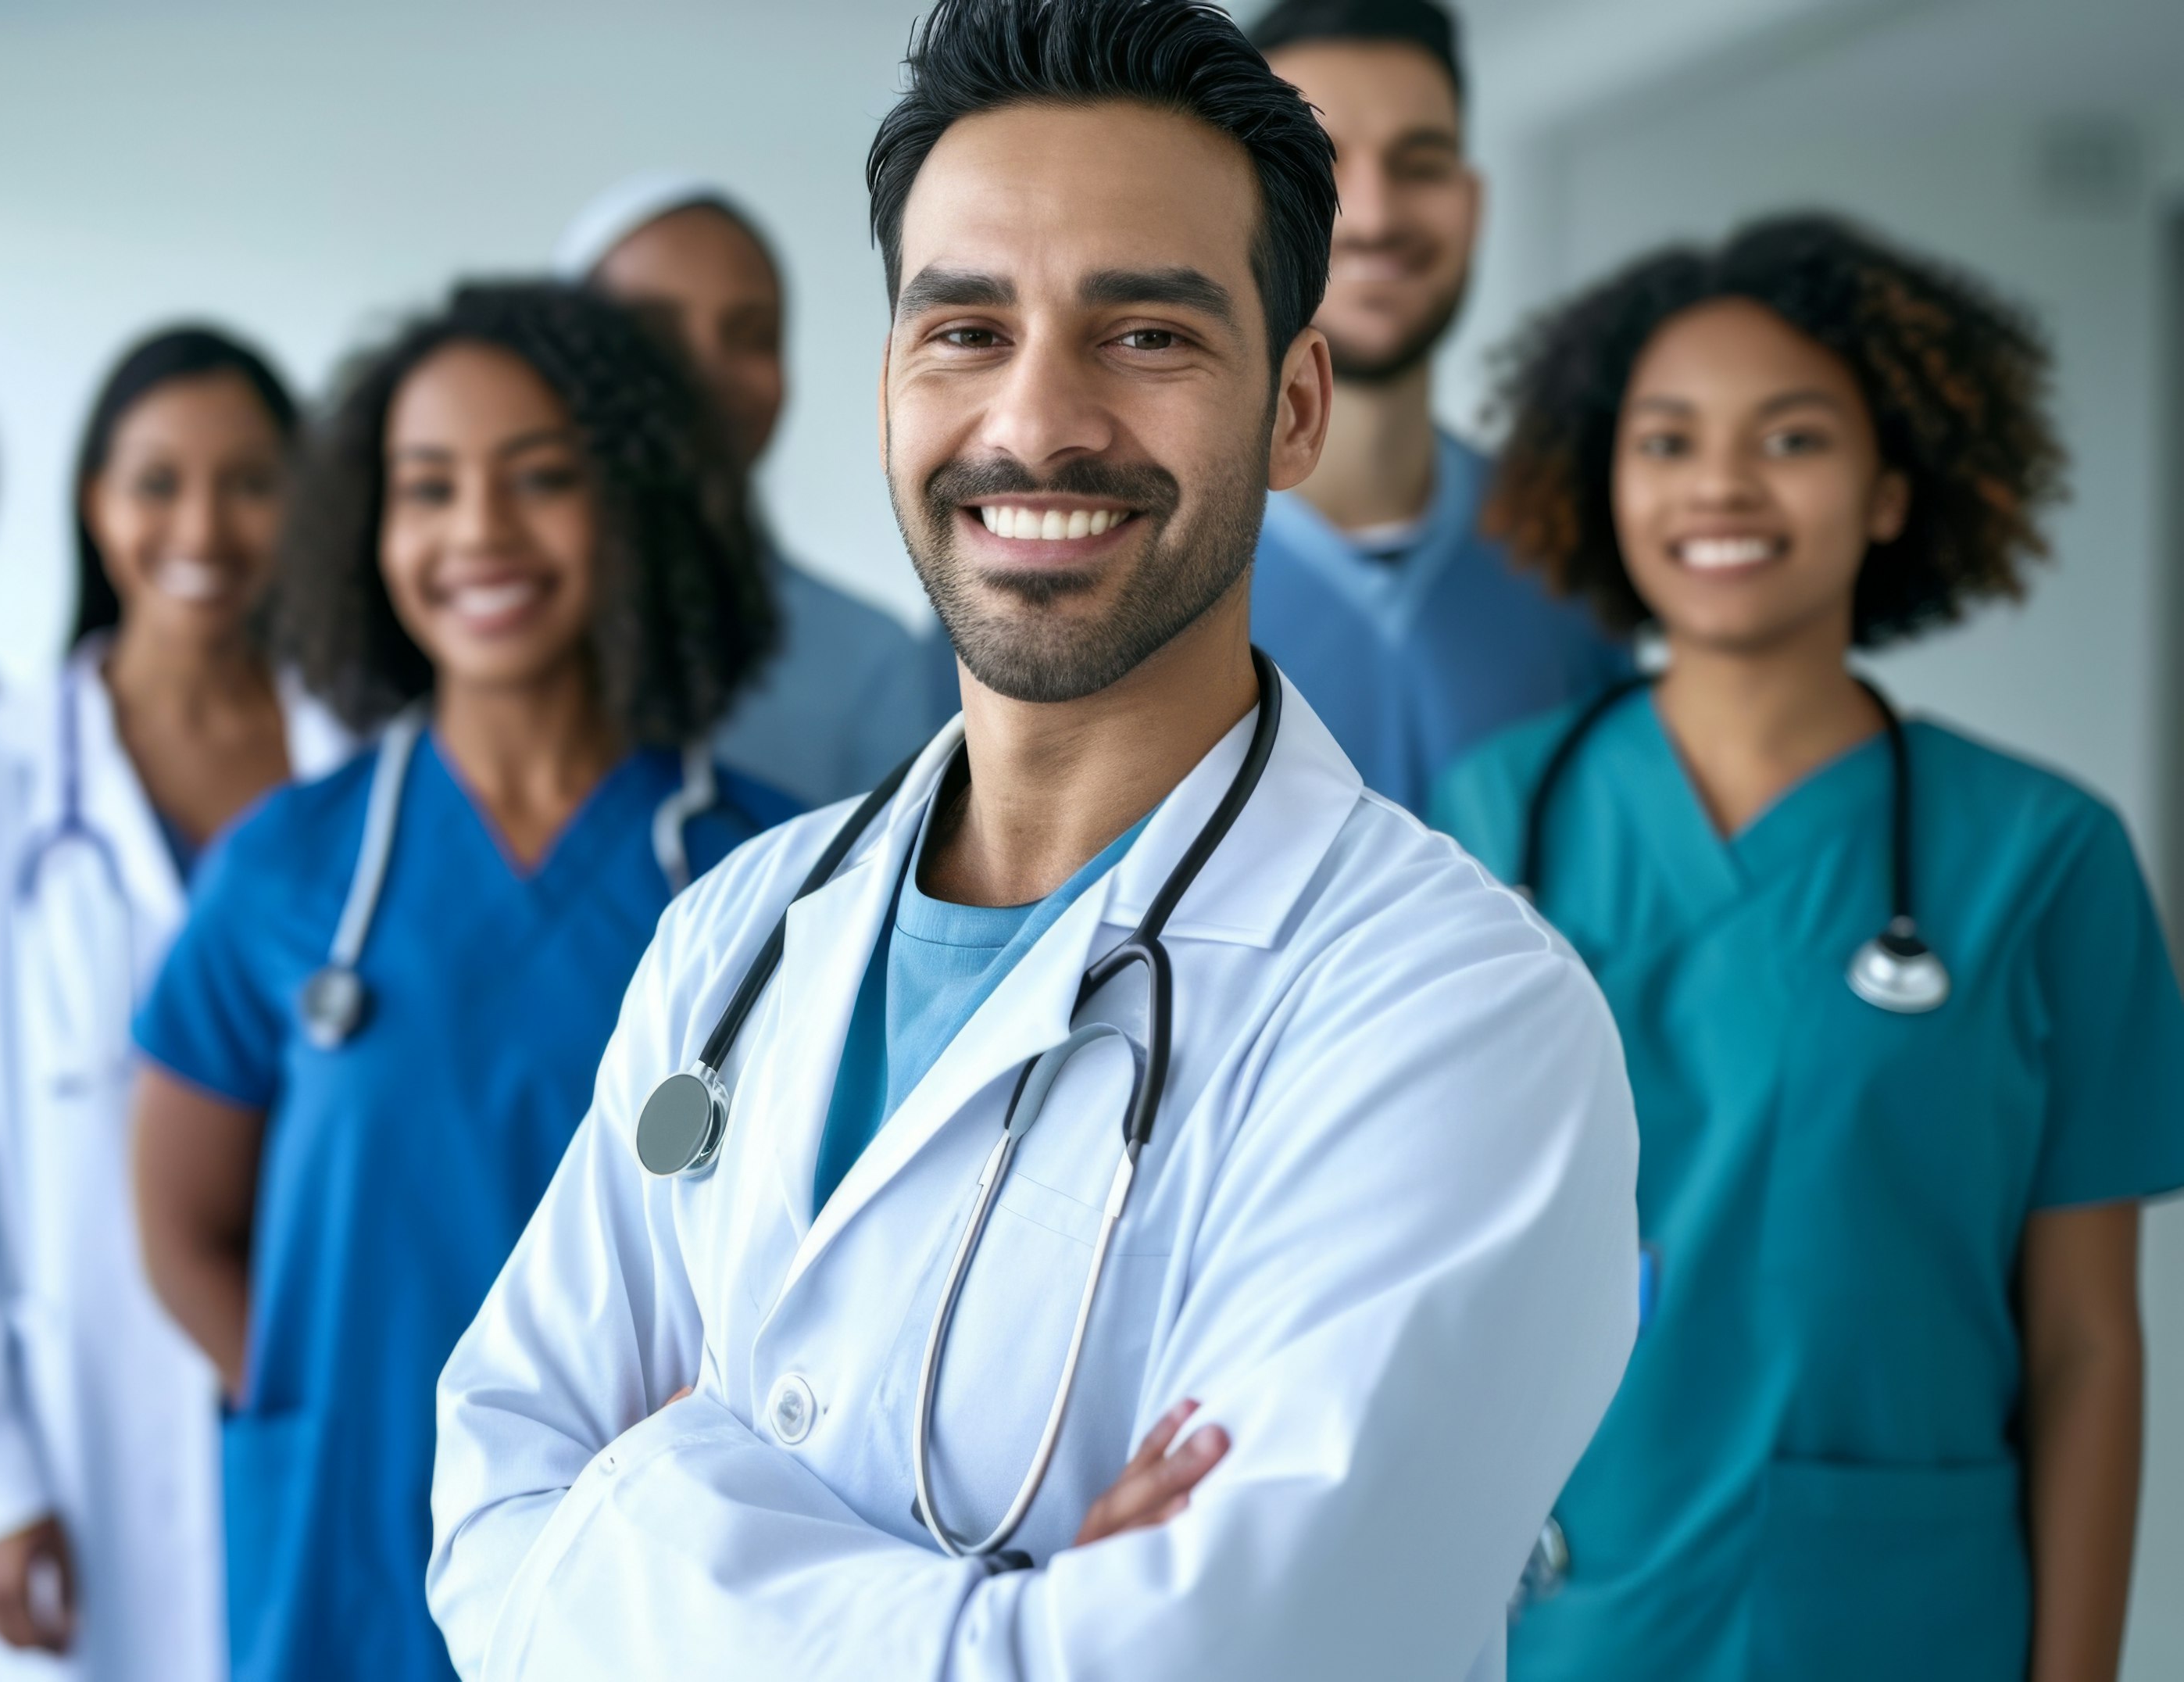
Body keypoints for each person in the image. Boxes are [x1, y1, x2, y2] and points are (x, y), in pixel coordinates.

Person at [426, 4, 1638, 1677]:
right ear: (892, 387)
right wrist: (1008, 1615)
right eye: (967, 330)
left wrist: (648, 1497)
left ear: (1294, 408)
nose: (1039, 419)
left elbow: (1232, 1652)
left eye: (1145, 333)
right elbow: (491, 1521)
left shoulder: (1458, 1018)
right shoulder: (735, 937)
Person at [1433, 215, 2184, 1682]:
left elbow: (2091, 1341)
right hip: (1562, 1615)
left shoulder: (2044, 856)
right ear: (1605, 482)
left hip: (1904, 1620)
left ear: (1894, 487)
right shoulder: (1483, 821)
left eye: (1791, 439)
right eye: (1665, 442)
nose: (1719, 484)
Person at [126, 281, 804, 1682]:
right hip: (347, 1557)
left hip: (650, 1566)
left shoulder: (775, 877)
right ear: (370, 533)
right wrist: (324, 1402)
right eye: (427, 488)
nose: (478, 532)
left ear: (637, 508)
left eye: (540, 479)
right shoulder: (288, 872)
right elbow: (181, 1223)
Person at [0, 327, 352, 1682]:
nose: (201, 524)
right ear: (94, 502)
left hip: (304, 1393)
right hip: (60, 1428)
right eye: (156, 481)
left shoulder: (372, 768)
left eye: (250, 482)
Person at [1241, 0, 1625, 813]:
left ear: (1472, 205)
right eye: (1321, 164)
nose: (1375, 214)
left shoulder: (1575, 552)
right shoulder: (1132, 557)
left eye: (1420, 164)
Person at [559, 174, 959, 803]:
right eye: (652, 329)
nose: (702, 370)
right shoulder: (481, 610)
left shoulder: (870, 660)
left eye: (750, 334)